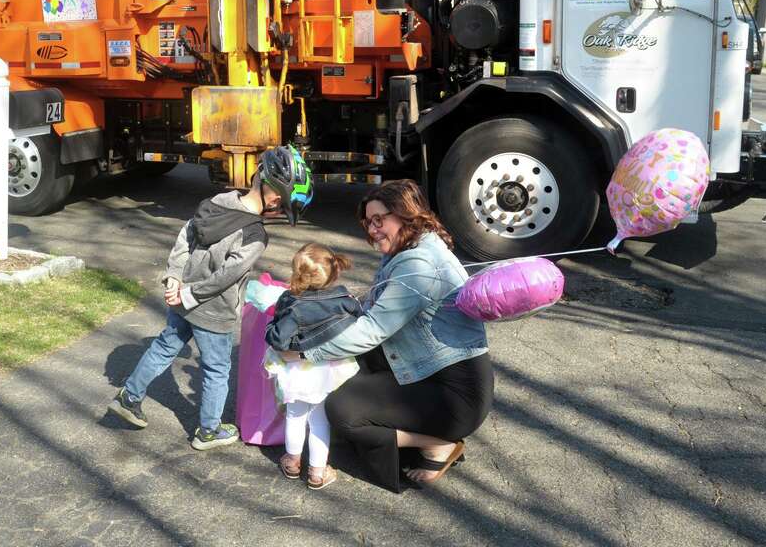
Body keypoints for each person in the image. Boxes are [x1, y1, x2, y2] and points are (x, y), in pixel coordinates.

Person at [108, 145, 313, 450]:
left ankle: (129, 397)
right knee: (217, 369)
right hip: (212, 310)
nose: (280, 211)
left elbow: (185, 237)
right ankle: (208, 430)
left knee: (164, 346)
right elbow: (225, 278)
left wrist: (175, 277)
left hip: (182, 297)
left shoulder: (220, 201)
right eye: (283, 206)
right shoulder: (256, 236)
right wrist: (189, 293)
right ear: (273, 198)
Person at [295, 179, 493, 492]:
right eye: (367, 222)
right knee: (348, 376)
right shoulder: (411, 248)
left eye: (379, 220)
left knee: (342, 410)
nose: (372, 230)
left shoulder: (418, 262)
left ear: (406, 215)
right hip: (434, 375)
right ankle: (395, 433)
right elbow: (373, 306)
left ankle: (437, 443)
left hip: (453, 396)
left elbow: (373, 328)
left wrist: (307, 351)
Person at [263, 243, 363, 489]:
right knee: (320, 420)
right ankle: (318, 472)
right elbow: (358, 324)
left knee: (296, 416)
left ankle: (292, 461)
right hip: (328, 370)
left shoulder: (292, 303)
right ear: (334, 272)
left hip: (298, 370)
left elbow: (277, 338)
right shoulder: (344, 300)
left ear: (297, 274)